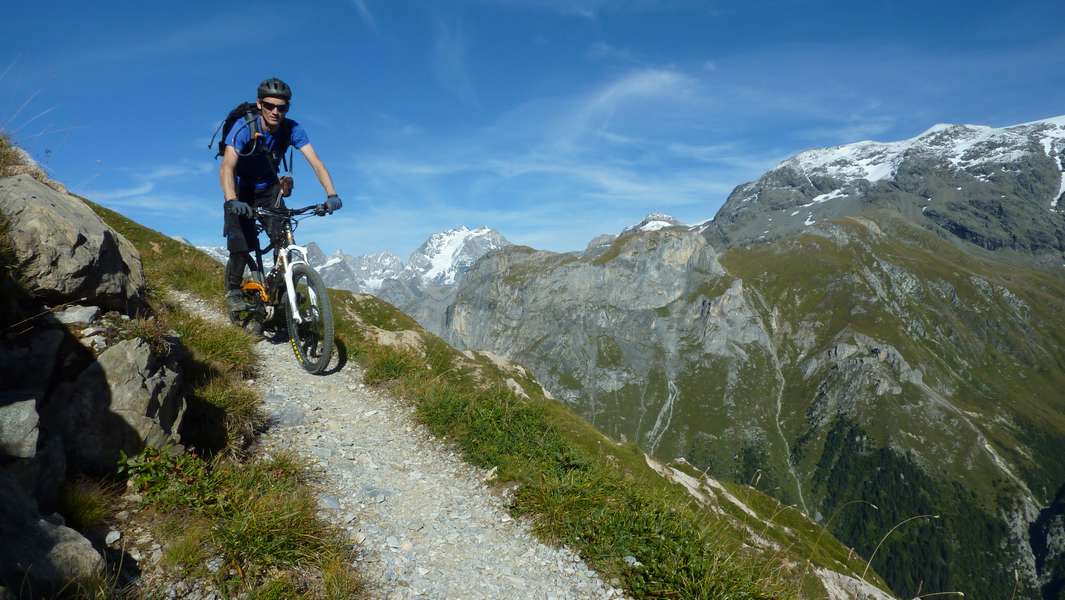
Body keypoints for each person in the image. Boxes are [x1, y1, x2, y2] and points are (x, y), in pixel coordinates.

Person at [218, 77, 342, 331]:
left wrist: (331, 194)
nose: (276, 111)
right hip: (241, 189)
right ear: (259, 104)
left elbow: (316, 163)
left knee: (283, 238)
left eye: (282, 107)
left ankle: (284, 296)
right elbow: (227, 167)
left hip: (269, 188)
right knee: (241, 243)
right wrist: (232, 200)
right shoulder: (244, 127)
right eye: (270, 105)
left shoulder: (292, 129)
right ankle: (233, 292)